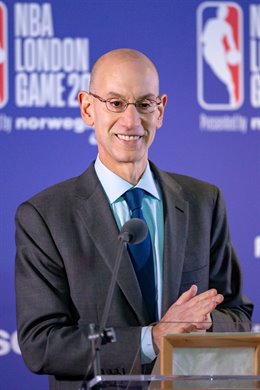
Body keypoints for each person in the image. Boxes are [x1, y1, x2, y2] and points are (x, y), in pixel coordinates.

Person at [15, 48, 253, 390]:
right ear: (87, 108)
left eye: (144, 104)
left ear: (161, 110)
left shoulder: (204, 201)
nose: (131, 121)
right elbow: (42, 344)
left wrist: (200, 323)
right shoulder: (45, 216)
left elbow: (238, 316)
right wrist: (152, 337)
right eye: (115, 103)